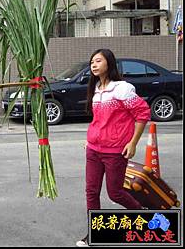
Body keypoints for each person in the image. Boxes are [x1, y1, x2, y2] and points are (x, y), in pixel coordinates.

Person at [76, 49, 151, 247]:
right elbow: (99, 119)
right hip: (94, 150)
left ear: (109, 63)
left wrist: (132, 142)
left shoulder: (122, 89)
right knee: (91, 192)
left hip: (115, 151)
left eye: (98, 61)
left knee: (114, 193)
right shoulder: (97, 89)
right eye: (92, 61)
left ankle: (140, 214)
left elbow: (143, 113)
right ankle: (94, 232)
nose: (93, 65)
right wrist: (91, 139)